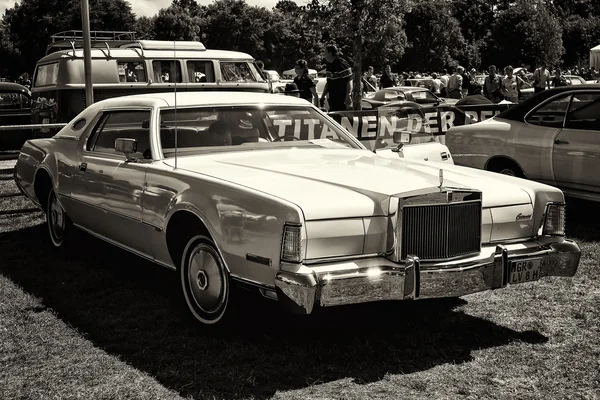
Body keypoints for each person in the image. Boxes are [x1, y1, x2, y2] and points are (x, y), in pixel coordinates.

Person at [320, 44, 353, 111]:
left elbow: (349, 80)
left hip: (342, 99)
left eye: (325, 52)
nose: (324, 55)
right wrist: (323, 95)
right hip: (333, 99)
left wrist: (348, 95)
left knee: (344, 118)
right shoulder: (329, 65)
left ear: (330, 53)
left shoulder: (342, 64)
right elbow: (328, 82)